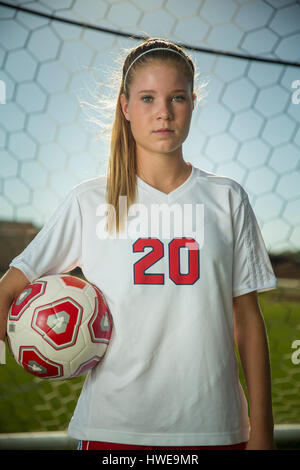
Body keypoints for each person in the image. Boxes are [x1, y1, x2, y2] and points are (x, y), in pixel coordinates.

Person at [0, 37, 277, 450]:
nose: (163, 112)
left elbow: (248, 323)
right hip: (112, 431)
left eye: (177, 98)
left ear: (192, 104)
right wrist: (34, 344)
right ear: (126, 107)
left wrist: (264, 434)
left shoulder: (227, 198)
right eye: (147, 98)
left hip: (216, 429)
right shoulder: (91, 200)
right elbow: (7, 291)